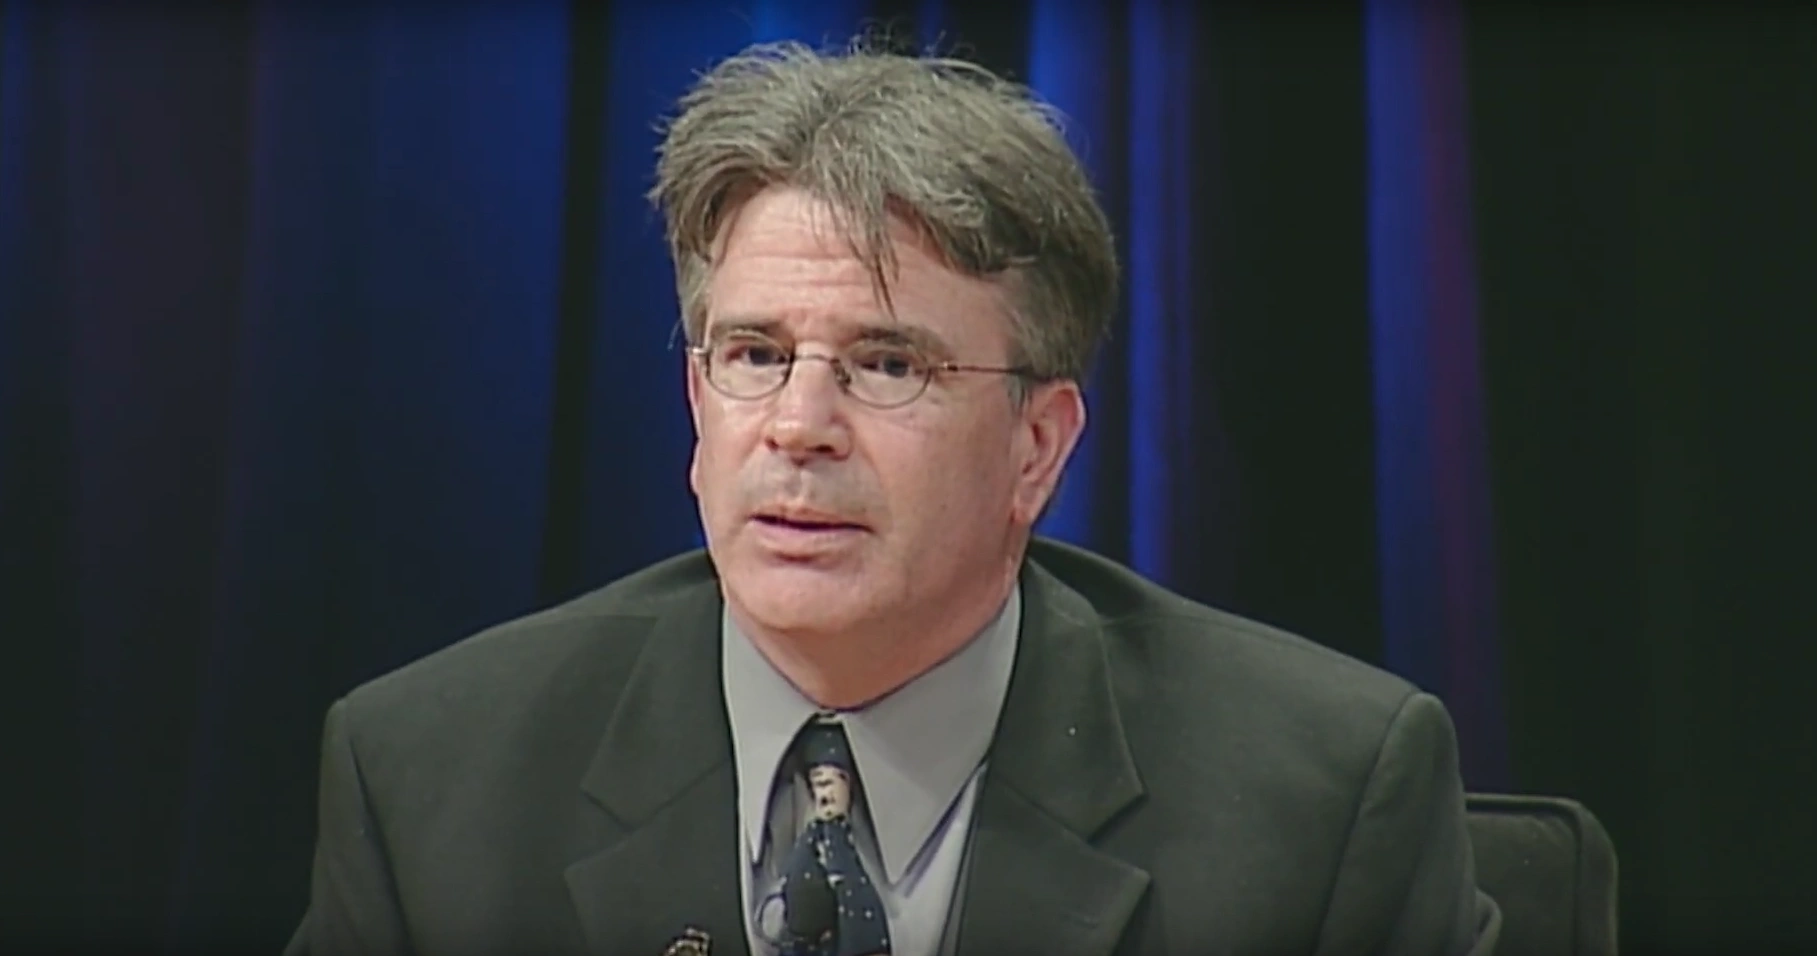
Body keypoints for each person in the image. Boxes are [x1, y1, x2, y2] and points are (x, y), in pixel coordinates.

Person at [285, 39, 1500, 956]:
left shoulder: (1324, 798)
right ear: (696, 403)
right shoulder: (431, 777)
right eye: (754, 354)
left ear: (1037, 444)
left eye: (886, 364)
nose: (799, 427)